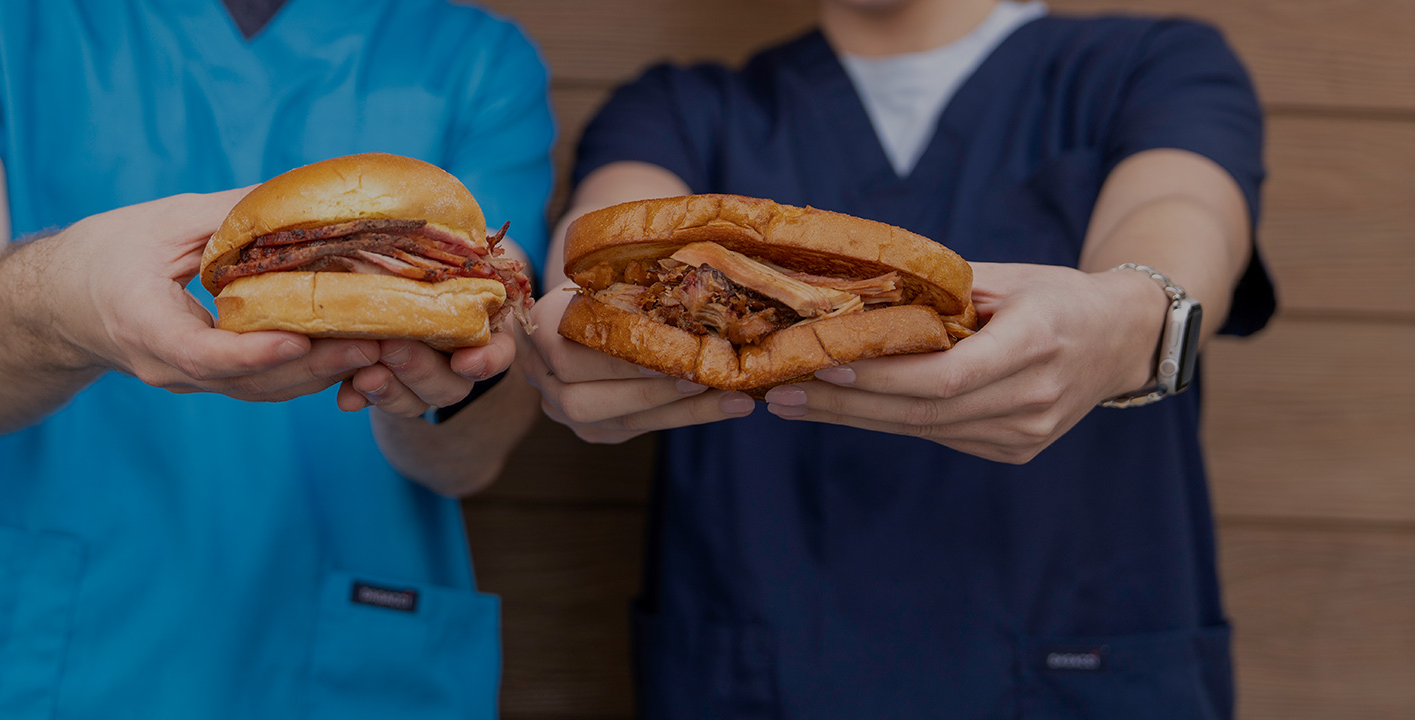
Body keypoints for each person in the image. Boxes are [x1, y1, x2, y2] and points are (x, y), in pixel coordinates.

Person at [0, 0, 551, 717]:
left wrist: (442, 383)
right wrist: (62, 301)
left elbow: (471, 453)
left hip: (335, 665)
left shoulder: (482, 62)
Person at [518, 0, 1272, 717]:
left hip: (1076, 658)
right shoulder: (676, 108)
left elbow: (1180, 215)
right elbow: (597, 244)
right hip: (758, 667)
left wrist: (1134, 316)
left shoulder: (1154, 64)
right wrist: (565, 334)